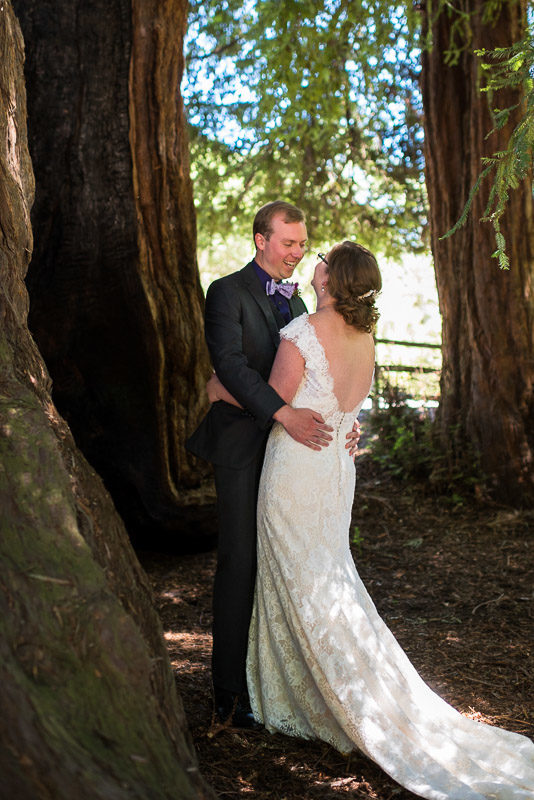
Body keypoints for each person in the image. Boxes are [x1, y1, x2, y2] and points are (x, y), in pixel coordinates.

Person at [211, 241, 534, 798]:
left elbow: (274, 403)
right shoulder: (365, 338)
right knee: (327, 576)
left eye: (323, 259)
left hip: (296, 473)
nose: (313, 260)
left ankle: (321, 697)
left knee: (298, 576)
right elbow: (346, 408)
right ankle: (331, 685)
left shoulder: (303, 332)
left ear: (333, 279)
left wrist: (220, 388)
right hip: (335, 470)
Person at [186, 202, 361, 729]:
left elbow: (316, 369)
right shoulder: (226, 292)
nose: (298, 252)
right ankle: (229, 695)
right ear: (261, 240)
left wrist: (343, 416)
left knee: (282, 563)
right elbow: (232, 367)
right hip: (243, 444)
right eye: (289, 243)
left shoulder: (304, 300)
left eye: (303, 244)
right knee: (239, 562)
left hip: (292, 455)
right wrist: (283, 412)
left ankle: (276, 682)